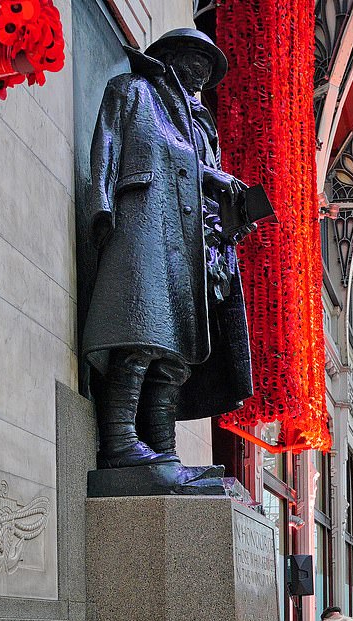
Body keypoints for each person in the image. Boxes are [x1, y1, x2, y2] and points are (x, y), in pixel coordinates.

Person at [82, 29, 254, 472]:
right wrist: (101, 208)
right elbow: (111, 144)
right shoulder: (135, 90)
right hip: (146, 224)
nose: (201, 68)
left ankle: (164, 452)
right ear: (169, 56)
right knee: (138, 335)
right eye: (194, 57)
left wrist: (228, 225)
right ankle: (119, 441)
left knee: (176, 356)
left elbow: (206, 188)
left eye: (207, 62)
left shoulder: (202, 124)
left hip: (192, 247)